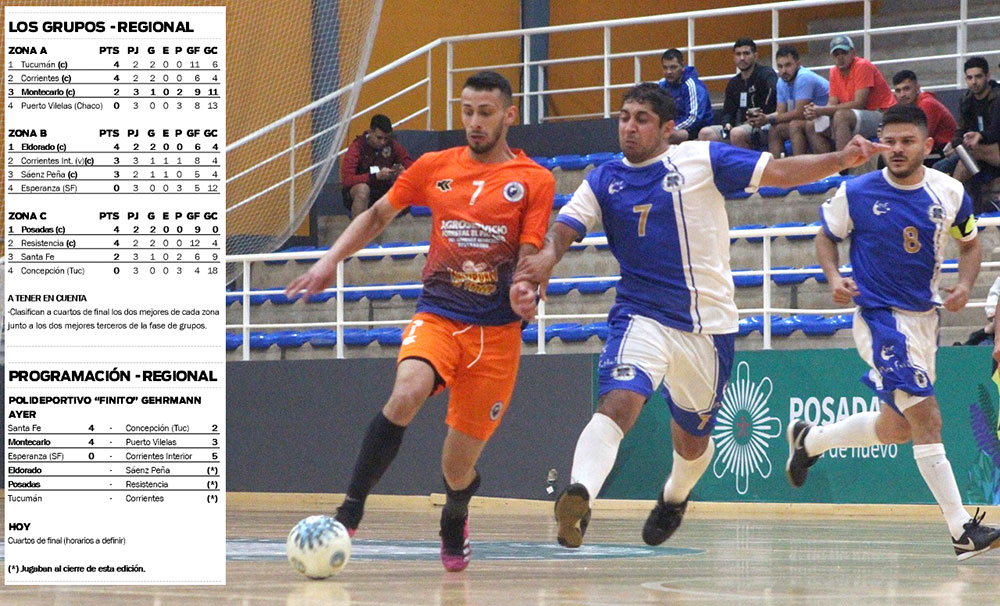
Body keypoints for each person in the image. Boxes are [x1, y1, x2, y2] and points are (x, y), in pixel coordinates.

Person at [508, 82, 886, 549]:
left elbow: (780, 171)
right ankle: (580, 495)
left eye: (641, 119)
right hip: (641, 315)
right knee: (617, 404)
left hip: (708, 327)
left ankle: (674, 497)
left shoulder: (702, 159)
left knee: (692, 442)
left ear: (668, 128)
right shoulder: (604, 179)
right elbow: (565, 228)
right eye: (624, 117)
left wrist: (840, 159)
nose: (629, 127)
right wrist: (547, 258)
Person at [286, 71, 554, 572]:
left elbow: (532, 249)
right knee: (406, 392)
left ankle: (455, 512)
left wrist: (525, 288)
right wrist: (329, 261)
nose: (474, 122)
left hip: (496, 337)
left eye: (486, 113)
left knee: (457, 467)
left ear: (509, 115)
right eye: (467, 111)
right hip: (440, 315)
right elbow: (377, 215)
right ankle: (350, 511)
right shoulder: (434, 166)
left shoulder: (535, 179)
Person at [789, 104, 1000, 561]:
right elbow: (826, 236)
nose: (897, 149)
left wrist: (965, 285)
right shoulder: (856, 191)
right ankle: (961, 529)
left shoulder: (949, 191)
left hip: (925, 320)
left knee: (897, 427)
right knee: (928, 418)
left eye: (908, 141)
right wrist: (833, 277)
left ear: (928, 145)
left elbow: (969, 244)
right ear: (880, 142)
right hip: (881, 318)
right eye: (890, 141)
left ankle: (811, 440)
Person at [796, 35, 896, 154]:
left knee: (841, 116)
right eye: (836, 54)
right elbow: (831, 104)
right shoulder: (834, 71)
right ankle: (829, 163)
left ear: (853, 53)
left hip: (883, 115)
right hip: (856, 116)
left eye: (844, 53)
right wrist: (815, 112)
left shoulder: (862, 65)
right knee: (812, 124)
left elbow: (859, 104)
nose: (840, 57)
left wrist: (821, 110)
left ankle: (844, 163)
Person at [699, 38, 777, 150]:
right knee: (705, 133)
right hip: (740, 126)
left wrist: (761, 116)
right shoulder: (734, 83)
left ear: (755, 56)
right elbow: (728, 111)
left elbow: (773, 94)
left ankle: (748, 161)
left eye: (746, 53)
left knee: (736, 133)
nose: (742, 58)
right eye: (738, 54)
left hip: (765, 125)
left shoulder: (766, 74)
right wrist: (727, 123)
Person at [752, 45, 829, 157]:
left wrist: (769, 119)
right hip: (810, 118)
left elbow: (799, 113)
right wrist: (763, 118)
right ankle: (778, 166)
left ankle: (798, 164)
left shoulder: (804, 77)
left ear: (798, 64)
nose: (784, 71)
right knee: (774, 129)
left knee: (794, 125)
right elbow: (780, 112)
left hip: (826, 116)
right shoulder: (781, 81)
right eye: (780, 66)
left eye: (788, 65)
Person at [932, 57, 998, 180]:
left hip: (992, 149)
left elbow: (995, 131)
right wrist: (956, 144)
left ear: (987, 76)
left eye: (978, 76)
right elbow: (961, 129)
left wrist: (980, 136)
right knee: (939, 167)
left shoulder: (997, 97)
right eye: (969, 78)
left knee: (968, 158)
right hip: (975, 149)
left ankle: (955, 191)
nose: (974, 82)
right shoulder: (966, 100)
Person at [340, 114, 414, 218]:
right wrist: (374, 176)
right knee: (363, 189)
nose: (382, 142)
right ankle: (359, 227)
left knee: (406, 185)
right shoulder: (357, 147)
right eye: (379, 138)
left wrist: (404, 172)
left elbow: (410, 164)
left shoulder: (392, 145)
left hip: (382, 189)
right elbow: (347, 180)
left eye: (386, 138)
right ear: (370, 132)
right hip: (358, 192)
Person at [891, 70, 956, 158]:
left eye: (906, 89)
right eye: (898, 91)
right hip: (932, 151)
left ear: (917, 88)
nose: (902, 95)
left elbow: (922, 136)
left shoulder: (927, 104)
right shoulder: (908, 107)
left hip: (945, 153)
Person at [658, 48, 714, 144]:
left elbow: (693, 118)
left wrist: (671, 128)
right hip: (673, 125)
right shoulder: (662, 84)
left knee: (668, 135)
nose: (668, 72)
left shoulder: (692, 85)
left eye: (673, 67)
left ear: (682, 66)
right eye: (665, 68)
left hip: (695, 129)